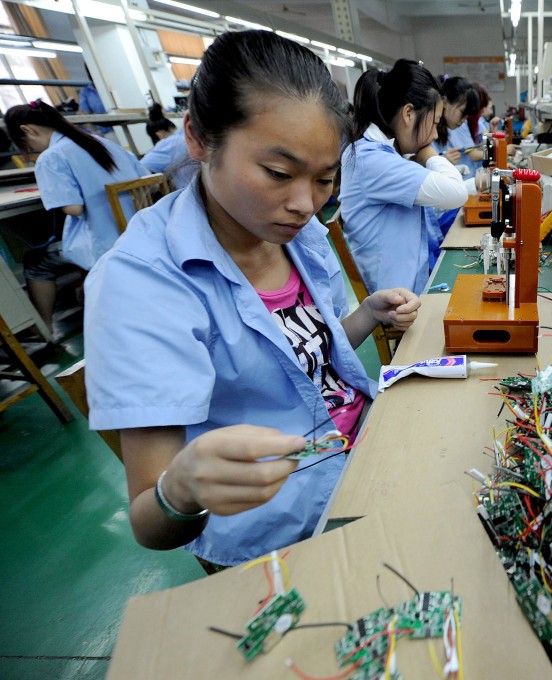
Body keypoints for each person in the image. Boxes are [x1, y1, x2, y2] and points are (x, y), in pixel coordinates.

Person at [83, 30, 421, 570]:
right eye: (278, 174)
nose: (304, 203)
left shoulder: (294, 231)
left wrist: (362, 316)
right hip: (285, 530)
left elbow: (305, 354)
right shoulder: (141, 283)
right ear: (198, 138)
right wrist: (184, 489)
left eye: (324, 180)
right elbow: (151, 522)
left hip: (367, 457)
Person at [4, 100, 149, 333]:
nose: (31, 149)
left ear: (27, 130)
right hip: (140, 234)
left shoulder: (52, 157)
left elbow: (73, 209)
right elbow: (147, 180)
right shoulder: (102, 142)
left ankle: (45, 330)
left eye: (26, 144)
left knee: (35, 261)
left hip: (108, 243)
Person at [340, 59, 467, 295]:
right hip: (399, 300)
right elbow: (455, 193)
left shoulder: (385, 153)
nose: (434, 133)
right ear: (409, 113)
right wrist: (427, 151)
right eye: (435, 123)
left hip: (408, 283)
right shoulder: (372, 159)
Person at [433, 76, 481, 179]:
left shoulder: (448, 129)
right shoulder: (428, 133)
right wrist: (442, 163)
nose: (464, 120)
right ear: (444, 102)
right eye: (462, 112)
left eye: (467, 115)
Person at [140, 103, 196, 189]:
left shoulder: (169, 143)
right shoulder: (188, 136)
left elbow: (142, 167)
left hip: (190, 192)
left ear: (159, 135)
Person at [77, 68, 114, 138]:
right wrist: (94, 131)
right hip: (104, 131)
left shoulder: (111, 84)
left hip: (119, 126)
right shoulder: (86, 91)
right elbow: (83, 113)